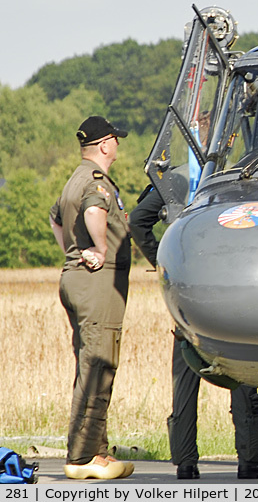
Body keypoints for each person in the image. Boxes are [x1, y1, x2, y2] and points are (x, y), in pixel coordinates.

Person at [129, 184, 258, 480]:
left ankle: (185, 462)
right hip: (233, 288)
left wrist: (163, 263)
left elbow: (138, 220)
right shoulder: (241, 176)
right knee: (242, 370)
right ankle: (249, 461)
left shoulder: (176, 180)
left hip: (188, 292)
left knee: (185, 379)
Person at [48, 116, 134, 480]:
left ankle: (97, 452)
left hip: (75, 278)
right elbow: (94, 210)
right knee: (98, 365)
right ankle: (83, 457)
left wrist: (72, 250)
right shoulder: (96, 183)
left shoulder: (75, 178)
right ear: (104, 145)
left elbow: (54, 218)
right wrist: (97, 247)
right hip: (97, 283)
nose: (118, 145)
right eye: (116, 139)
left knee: (89, 365)